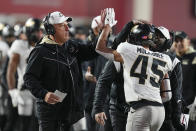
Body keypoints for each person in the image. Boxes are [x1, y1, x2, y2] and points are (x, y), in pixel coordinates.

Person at [95, 8, 176, 131]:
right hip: (159, 110)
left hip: (140, 109)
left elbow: (101, 48)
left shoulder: (128, 50)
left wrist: (107, 27)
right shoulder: (166, 58)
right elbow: (167, 94)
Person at [23, 11, 98, 131]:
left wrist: (103, 32)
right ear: (51, 29)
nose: (68, 28)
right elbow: (29, 78)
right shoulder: (40, 51)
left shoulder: (71, 46)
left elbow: (92, 50)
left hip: (68, 112)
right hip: (50, 114)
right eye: (62, 25)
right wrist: (44, 94)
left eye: (67, 25)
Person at [173, 31, 196, 131]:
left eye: (181, 40)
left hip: (189, 107)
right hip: (174, 108)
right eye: (176, 41)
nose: (178, 43)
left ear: (188, 41)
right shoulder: (171, 57)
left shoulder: (194, 57)